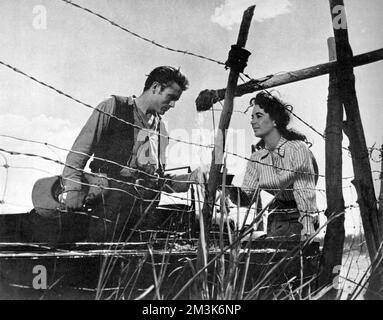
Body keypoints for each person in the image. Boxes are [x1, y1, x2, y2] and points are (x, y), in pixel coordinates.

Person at [61, 66, 200, 242]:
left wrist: (192, 178)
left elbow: (158, 181)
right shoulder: (113, 107)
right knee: (101, 263)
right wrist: (73, 188)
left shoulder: (161, 130)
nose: (173, 105)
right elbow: (78, 153)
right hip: (107, 211)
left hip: (143, 218)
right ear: (156, 87)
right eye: (171, 98)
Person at [227, 91, 319, 241]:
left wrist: (307, 230)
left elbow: (305, 195)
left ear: (275, 120)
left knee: (291, 261)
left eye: (259, 116)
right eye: (252, 117)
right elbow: (245, 198)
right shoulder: (257, 158)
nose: (252, 122)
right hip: (276, 216)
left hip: (300, 217)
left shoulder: (297, 149)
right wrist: (227, 187)